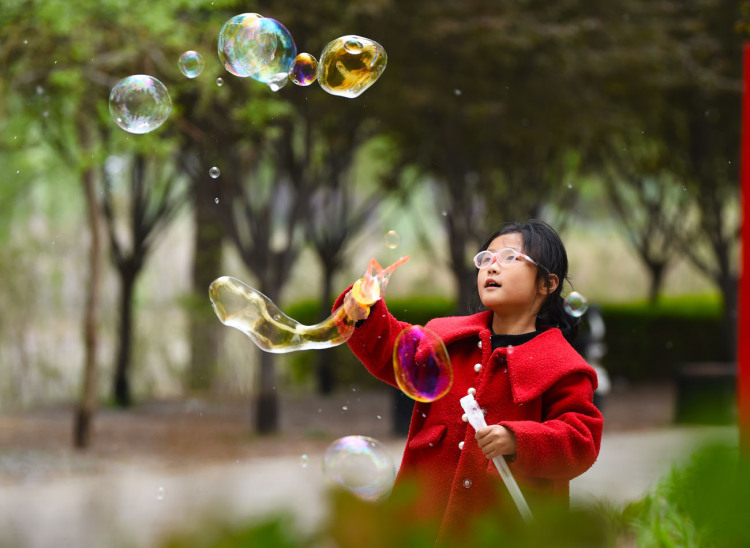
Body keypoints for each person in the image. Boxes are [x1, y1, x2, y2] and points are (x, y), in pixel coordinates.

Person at [335, 219, 603, 540]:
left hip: (505, 531)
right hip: (426, 523)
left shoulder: (562, 366)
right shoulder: (448, 337)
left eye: (509, 258)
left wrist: (519, 440)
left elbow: (581, 439)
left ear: (547, 284)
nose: (492, 267)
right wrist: (364, 312)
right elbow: (393, 350)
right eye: (486, 259)